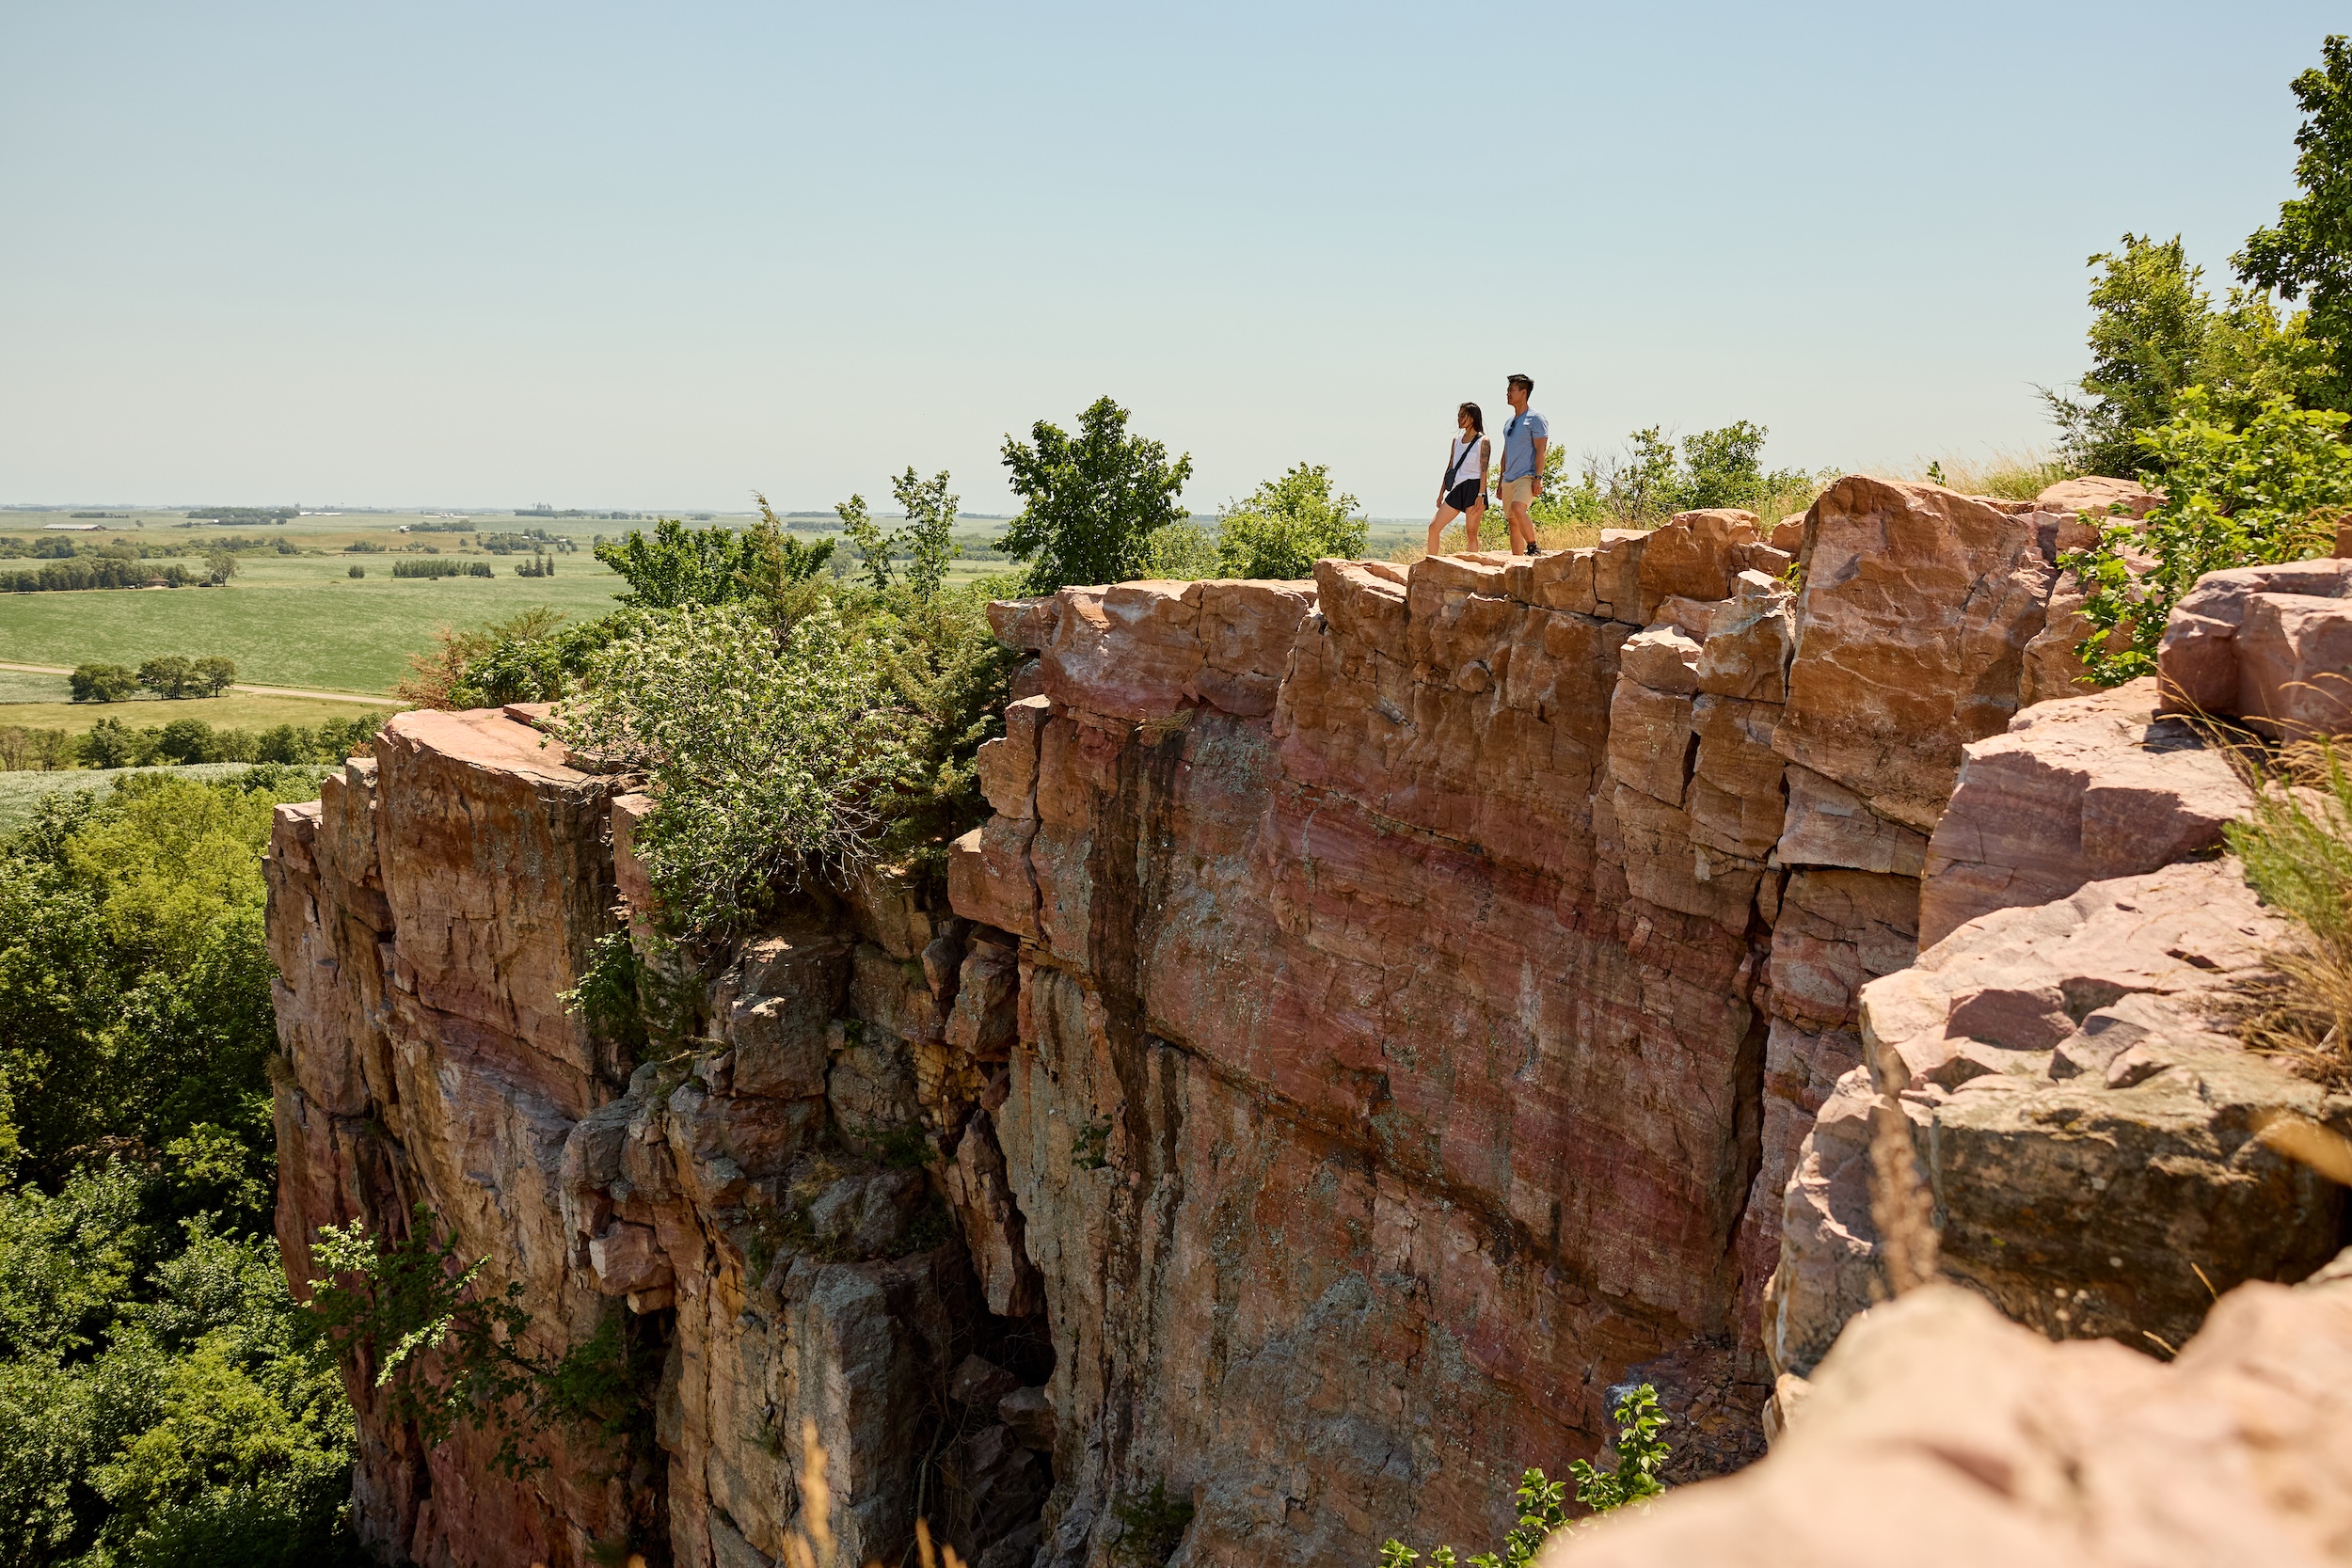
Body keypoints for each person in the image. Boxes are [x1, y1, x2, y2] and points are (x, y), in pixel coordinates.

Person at [1426, 402, 1490, 557]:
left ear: (1473, 418)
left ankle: (1473, 570)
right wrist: (1441, 492)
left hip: (1475, 488)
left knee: (1471, 534)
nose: (1459, 419)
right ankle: (1431, 563)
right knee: (1434, 527)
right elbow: (1450, 467)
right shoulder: (1456, 441)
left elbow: (1484, 470)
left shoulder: (1484, 441)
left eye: (1463, 416)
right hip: (1457, 488)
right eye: (1458, 416)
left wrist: (1481, 495)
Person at [1498, 373, 1549, 556]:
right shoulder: (1509, 422)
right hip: (1508, 478)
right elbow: (1506, 452)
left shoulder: (1535, 419)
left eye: (1511, 390)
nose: (1507, 394)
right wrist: (1500, 480)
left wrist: (1538, 478)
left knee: (1518, 509)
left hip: (1527, 475)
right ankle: (1517, 561)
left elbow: (1541, 450)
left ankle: (1533, 547)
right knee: (1512, 521)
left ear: (1523, 392)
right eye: (1508, 390)